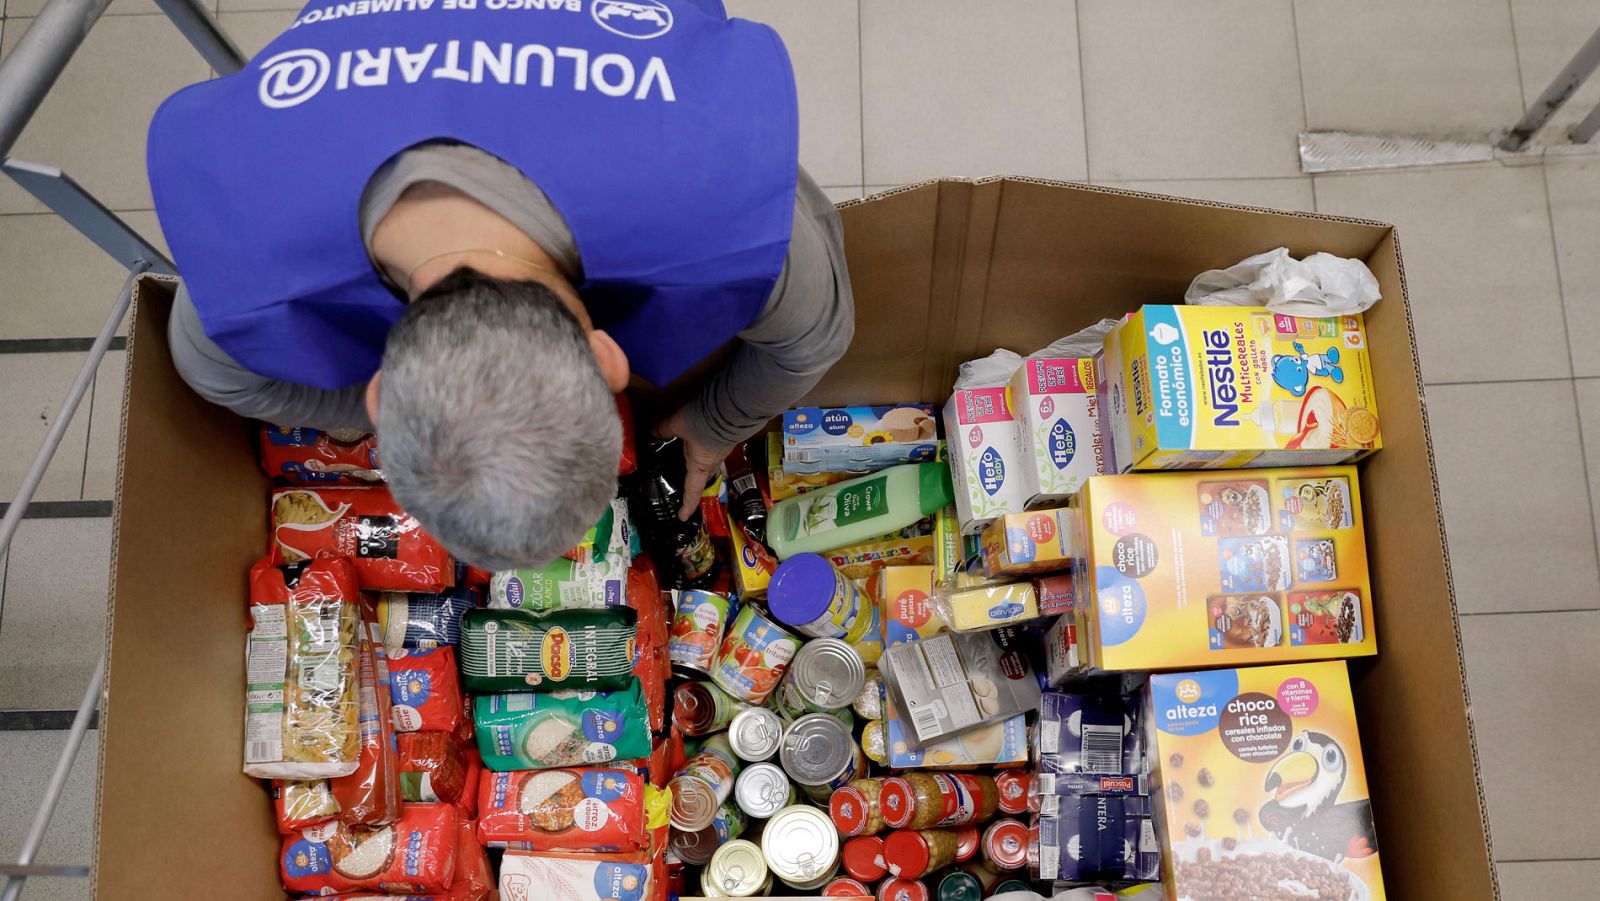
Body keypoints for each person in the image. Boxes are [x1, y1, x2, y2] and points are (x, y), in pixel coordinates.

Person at [148, 0, 853, 571]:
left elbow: (816, 333)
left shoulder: (713, 206)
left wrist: (708, 433)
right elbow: (211, 369)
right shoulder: (249, 258)